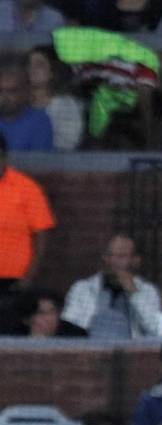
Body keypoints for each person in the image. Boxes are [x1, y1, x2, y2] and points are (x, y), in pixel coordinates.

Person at [61, 234, 162, 339]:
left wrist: (134, 294)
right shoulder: (82, 289)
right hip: (91, 346)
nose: (113, 261)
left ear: (136, 260)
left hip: (131, 347)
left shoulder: (148, 291)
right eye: (109, 255)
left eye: (121, 256)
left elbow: (155, 329)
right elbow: (69, 328)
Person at [0, 133, 55, 295]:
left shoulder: (27, 188)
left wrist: (28, 278)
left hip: (14, 278)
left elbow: (42, 236)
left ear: (5, 157)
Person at [0, 62, 53, 151]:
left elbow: (38, 158)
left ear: (25, 92)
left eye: (11, 91)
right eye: (0, 91)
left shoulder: (39, 121)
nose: (4, 97)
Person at [9, 287, 85, 336]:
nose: (49, 318)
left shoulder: (75, 335)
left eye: (53, 312)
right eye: (41, 313)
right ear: (26, 319)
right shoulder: (12, 336)